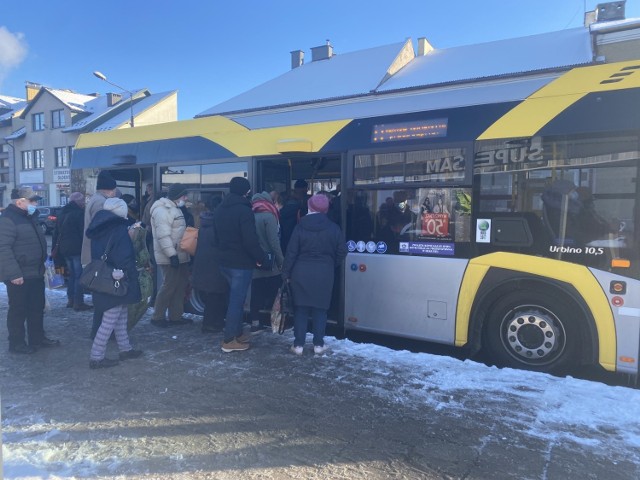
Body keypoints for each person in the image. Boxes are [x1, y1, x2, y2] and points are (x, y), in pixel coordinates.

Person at [282, 193, 346, 355]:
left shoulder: (300, 226)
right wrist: (331, 264)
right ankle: (318, 344)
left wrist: (286, 273)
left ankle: (298, 345)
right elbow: (342, 251)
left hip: (300, 272)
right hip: (325, 273)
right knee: (320, 309)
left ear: (309, 207)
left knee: (301, 309)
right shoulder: (334, 227)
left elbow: (291, 253)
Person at [0, 187, 60, 354]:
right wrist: (14, 274)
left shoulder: (29, 217)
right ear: (20, 202)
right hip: (19, 274)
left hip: (35, 271)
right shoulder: (8, 219)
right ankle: (16, 343)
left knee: (36, 307)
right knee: (18, 310)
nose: (35, 204)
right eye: (32, 201)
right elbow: (3, 248)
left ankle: (37, 338)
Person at [85, 198, 143, 369]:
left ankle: (125, 349)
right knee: (110, 320)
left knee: (120, 315)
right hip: (117, 278)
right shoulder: (118, 229)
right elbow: (124, 255)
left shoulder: (100, 227)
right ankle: (96, 357)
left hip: (105, 277)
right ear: (120, 211)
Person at [213, 177, 265, 352]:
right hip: (240, 264)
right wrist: (261, 257)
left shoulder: (220, 208)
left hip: (224, 262)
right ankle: (229, 341)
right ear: (246, 191)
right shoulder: (244, 211)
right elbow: (250, 240)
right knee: (237, 301)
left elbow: (215, 236)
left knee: (234, 299)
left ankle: (237, 333)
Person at [149, 183, 192, 327]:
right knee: (169, 286)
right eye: (184, 195)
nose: (186, 198)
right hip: (170, 257)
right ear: (177, 196)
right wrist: (172, 255)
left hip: (180, 255)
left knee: (180, 286)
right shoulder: (163, 210)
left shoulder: (174, 209)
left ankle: (176, 316)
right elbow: (163, 236)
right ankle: (157, 316)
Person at [191, 196, 228, 334]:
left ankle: (214, 322)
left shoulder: (204, 223)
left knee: (213, 295)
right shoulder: (217, 225)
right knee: (215, 296)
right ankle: (210, 324)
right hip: (214, 265)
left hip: (204, 264)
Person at [249, 191, 284, 333]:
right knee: (276, 291)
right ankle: (274, 321)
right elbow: (274, 242)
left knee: (256, 291)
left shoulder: (251, 213)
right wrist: (282, 261)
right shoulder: (269, 216)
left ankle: (255, 322)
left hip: (254, 259)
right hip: (270, 261)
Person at [56, 192, 92, 311]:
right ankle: (78, 302)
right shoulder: (79, 214)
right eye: (82, 201)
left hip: (65, 249)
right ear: (78, 202)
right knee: (79, 275)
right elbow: (83, 233)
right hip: (76, 248)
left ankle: (70, 300)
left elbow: (56, 232)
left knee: (72, 275)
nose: (83, 203)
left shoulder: (62, 213)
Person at [280, 179, 308, 254]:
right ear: (302, 190)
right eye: (305, 191)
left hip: (284, 240)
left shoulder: (283, 205)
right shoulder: (298, 207)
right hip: (294, 239)